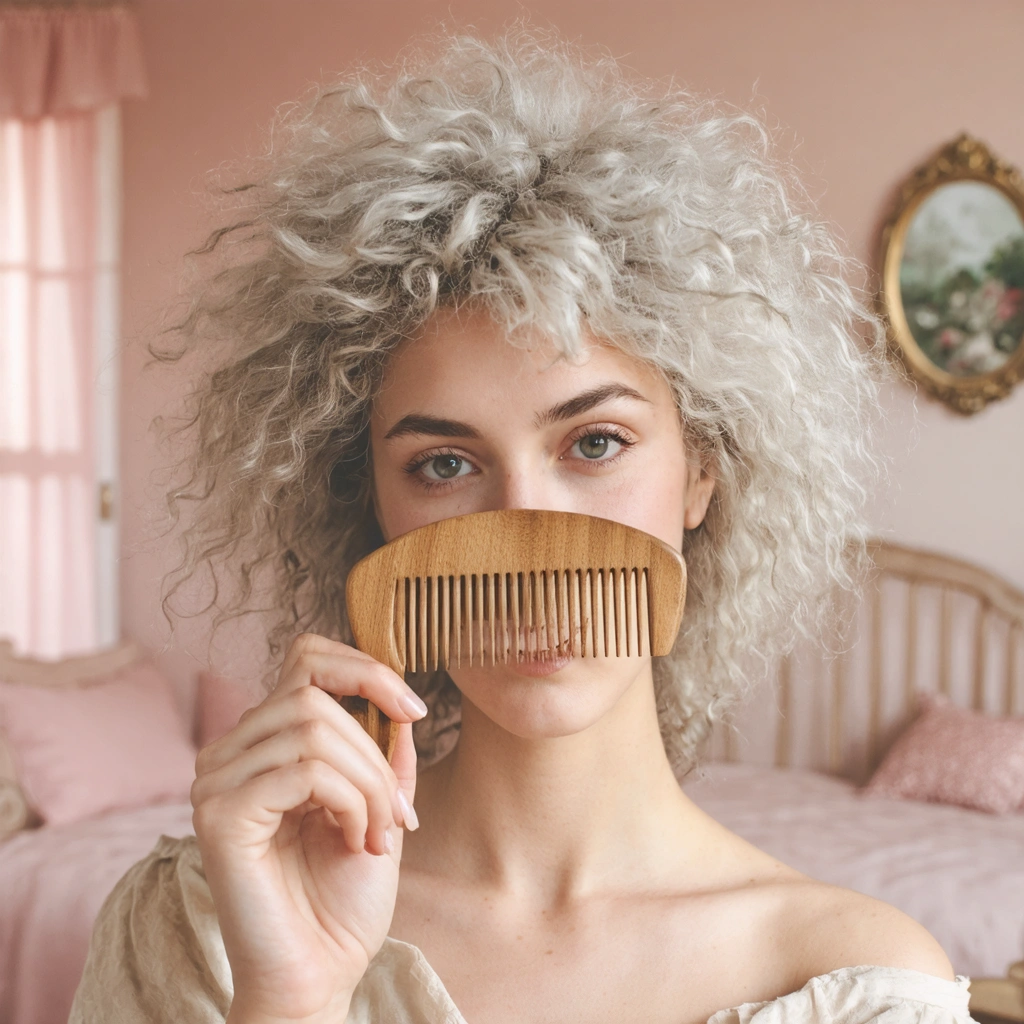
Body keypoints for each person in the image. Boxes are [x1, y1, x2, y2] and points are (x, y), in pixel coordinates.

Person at [70, 26, 973, 1024]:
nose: (526, 525)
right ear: (366, 506)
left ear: (701, 475)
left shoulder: (857, 984)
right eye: (443, 464)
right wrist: (291, 994)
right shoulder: (203, 926)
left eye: (594, 443)